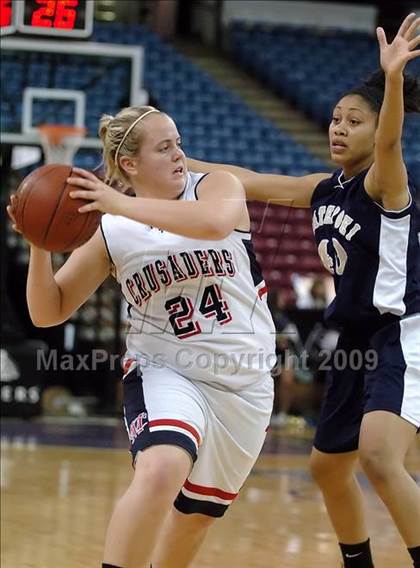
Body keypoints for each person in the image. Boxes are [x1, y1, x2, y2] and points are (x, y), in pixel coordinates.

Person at [188, 14, 420, 568]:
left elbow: (390, 142)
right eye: (336, 119)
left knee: (381, 459)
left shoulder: (384, 181)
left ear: (376, 128)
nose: (339, 128)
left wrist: (391, 81)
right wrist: (181, 166)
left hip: (400, 331)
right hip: (353, 339)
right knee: (327, 466)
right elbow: (247, 180)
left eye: (354, 122)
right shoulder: (323, 189)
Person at [7, 106, 276, 568]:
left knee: (195, 519)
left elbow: (212, 224)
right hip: (165, 371)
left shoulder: (215, 186)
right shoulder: (110, 230)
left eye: (178, 142)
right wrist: (39, 244)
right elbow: (47, 312)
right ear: (130, 164)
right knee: (161, 467)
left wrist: (118, 203)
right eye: (165, 146)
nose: (180, 154)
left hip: (246, 384)